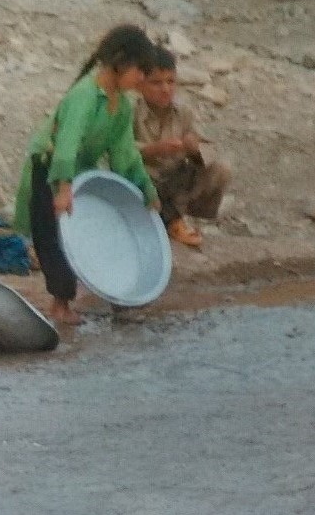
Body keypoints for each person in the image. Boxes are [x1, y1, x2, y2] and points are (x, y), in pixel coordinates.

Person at [13, 24, 161, 325]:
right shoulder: (84, 95)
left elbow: (125, 153)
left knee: (83, 235)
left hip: (78, 172)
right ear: (120, 61)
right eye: (140, 70)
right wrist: (63, 186)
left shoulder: (121, 106)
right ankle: (60, 304)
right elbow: (67, 143)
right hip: (50, 167)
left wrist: (144, 187)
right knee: (52, 237)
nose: (142, 78)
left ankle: (115, 297)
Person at [135, 45, 232, 248]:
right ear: (140, 84)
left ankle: (172, 219)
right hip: (143, 179)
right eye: (156, 83)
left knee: (220, 170)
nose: (166, 89)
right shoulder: (131, 111)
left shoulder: (183, 112)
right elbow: (119, 150)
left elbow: (201, 153)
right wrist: (154, 149)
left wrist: (194, 149)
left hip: (173, 182)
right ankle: (167, 221)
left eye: (170, 82)